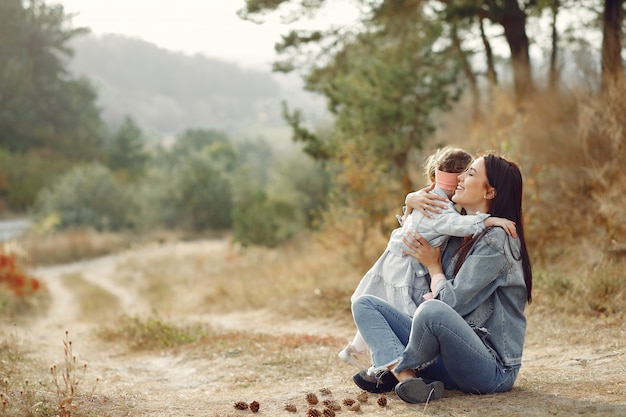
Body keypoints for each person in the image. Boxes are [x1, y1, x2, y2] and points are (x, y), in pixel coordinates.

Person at [350, 153, 533, 404]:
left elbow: (448, 306)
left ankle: (391, 367)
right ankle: (407, 378)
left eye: (470, 174)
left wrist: (434, 267)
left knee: (432, 310)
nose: (459, 177)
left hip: (491, 370)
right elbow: (415, 231)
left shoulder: (496, 241)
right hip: (448, 360)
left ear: (490, 192)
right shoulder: (456, 234)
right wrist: (410, 202)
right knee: (364, 303)